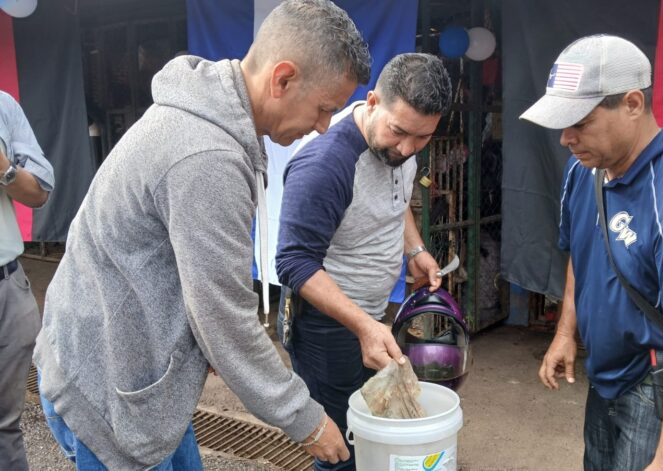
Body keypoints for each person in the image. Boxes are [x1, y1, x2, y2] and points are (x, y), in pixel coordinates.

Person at [33, 1, 370, 469]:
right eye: (324, 108)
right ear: (283, 79)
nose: (322, 125)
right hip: (104, 392)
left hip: (140, 377)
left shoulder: (211, 117)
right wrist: (308, 420)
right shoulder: (206, 156)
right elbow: (226, 320)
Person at [521, 35, 663, 471]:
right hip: (604, 377)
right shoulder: (584, 171)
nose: (565, 138)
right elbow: (580, 255)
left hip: (658, 385)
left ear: (633, 104)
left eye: (580, 121)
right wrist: (566, 332)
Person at [275, 52, 452, 470]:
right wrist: (362, 327)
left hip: (369, 318)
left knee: (374, 431)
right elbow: (294, 263)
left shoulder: (400, 145)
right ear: (372, 102)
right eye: (399, 132)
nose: (407, 149)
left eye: (422, 138)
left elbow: (397, 202)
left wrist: (415, 250)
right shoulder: (324, 164)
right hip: (326, 326)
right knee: (341, 447)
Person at [0, 91, 55, 471]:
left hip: (8, 287)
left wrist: (4, 169)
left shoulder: (3, 106)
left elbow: (39, 192)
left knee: (5, 426)